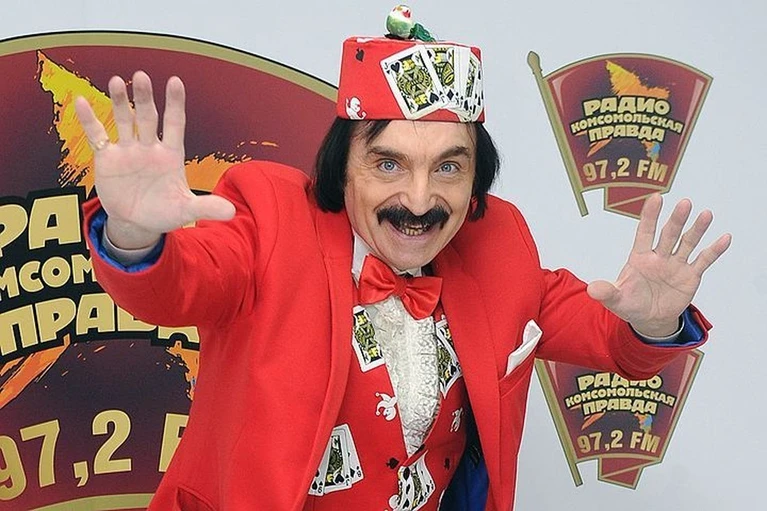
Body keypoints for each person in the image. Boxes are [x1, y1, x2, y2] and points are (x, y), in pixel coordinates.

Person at [75, 26, 730, 511]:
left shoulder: (497, 246)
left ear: (475, 182)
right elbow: (180, 283)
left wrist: (654, 319)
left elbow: (606, 333)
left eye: (448, 166)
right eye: (388, 163)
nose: (418, 201)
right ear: (342, 166)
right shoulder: (272, 217)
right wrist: (134, 232)